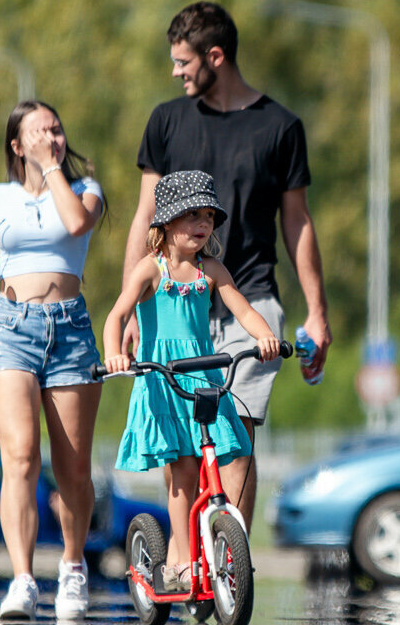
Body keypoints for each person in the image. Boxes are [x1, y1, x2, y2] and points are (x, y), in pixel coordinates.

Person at [123, 1, 330, 525]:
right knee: (184, 452)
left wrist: (317, 312)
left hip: (250, 297)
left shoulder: (280, 127)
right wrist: (129, 310)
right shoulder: (167, 121)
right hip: (174, 305)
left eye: (184, 62)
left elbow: (298, 222)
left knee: (234, 432)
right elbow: (145, 215)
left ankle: (229, 567)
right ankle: (187, 557)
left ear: (215, 56)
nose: (176, 72)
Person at [0, 101, 106, 622]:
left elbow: (76, 224)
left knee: (73, 468)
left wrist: (53, 168)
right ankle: (23, 578)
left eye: (56, 128)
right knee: (21, 458)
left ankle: (72, 569)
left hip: (70, 330)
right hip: (11, 328)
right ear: (16, 144)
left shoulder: (84, 189)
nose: (51, 137)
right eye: (38, 132)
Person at [104, 171, 282, 595]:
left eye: (208, 216)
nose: (202, 224)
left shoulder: (212, 269)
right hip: (163, 381)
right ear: (165, 223)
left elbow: (242, 307)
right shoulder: (151, 270)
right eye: (191, 216)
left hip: (203, 375)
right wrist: (114, 351)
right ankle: (181, 561)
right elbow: (117, 315)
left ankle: (220, 548)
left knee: (220, 458)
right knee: (182, 474)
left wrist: (263, 336)